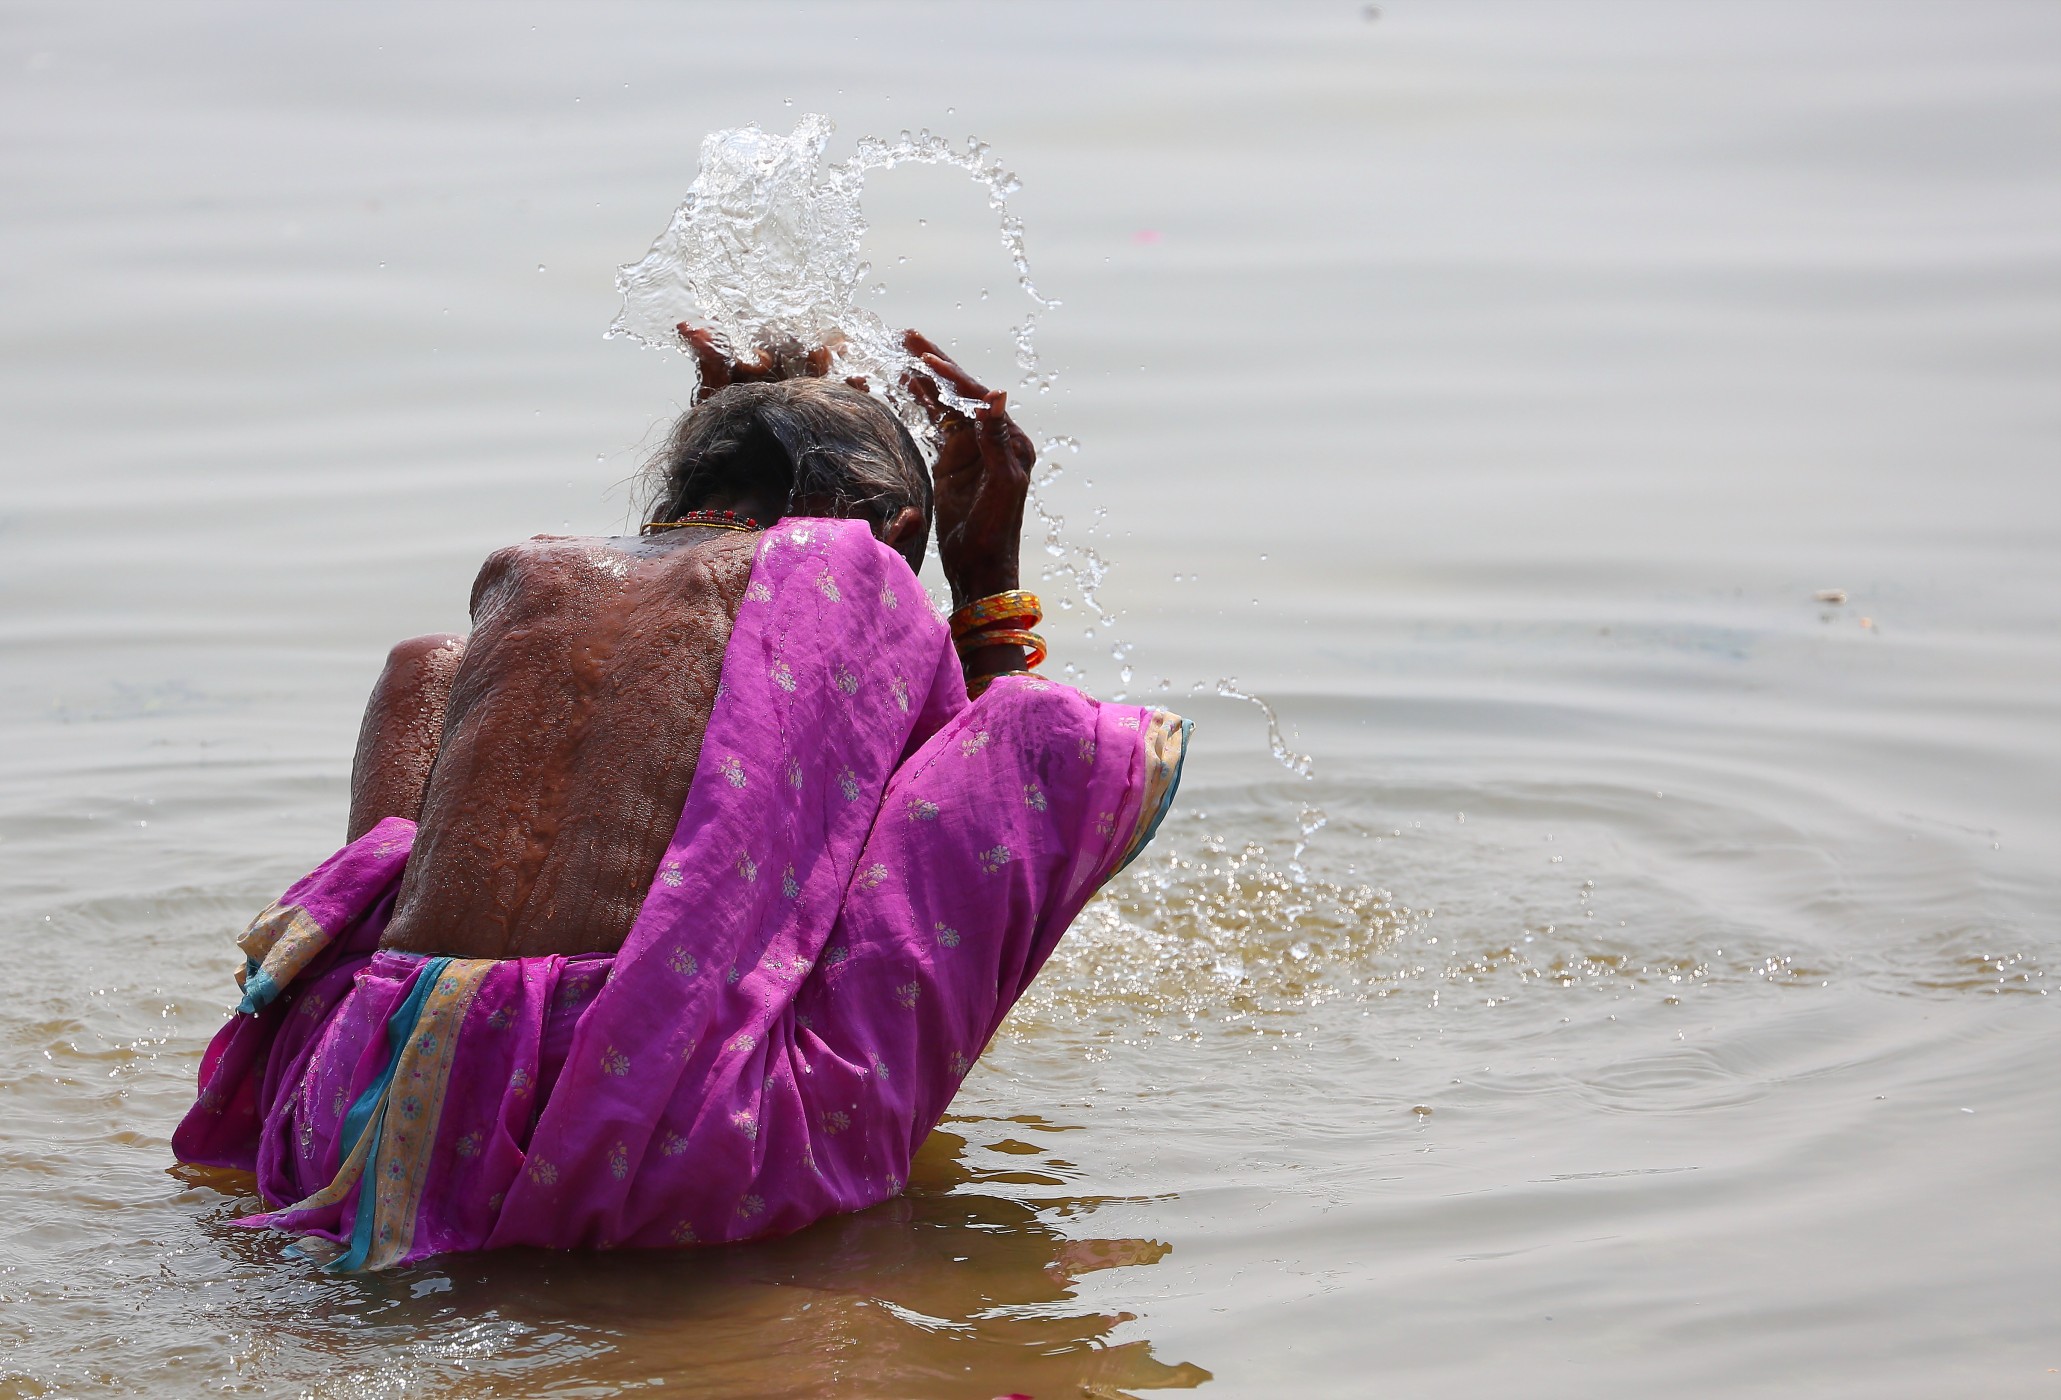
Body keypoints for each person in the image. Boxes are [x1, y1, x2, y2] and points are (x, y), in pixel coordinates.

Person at [172, 327, 1190, 1271]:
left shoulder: (527, 572)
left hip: (350, 1113)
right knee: (1055, 741)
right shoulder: (848, 566)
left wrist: (738, 424)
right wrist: (986, 585)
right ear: (900, 528)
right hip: (653, 1157)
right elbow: (953, 793)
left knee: (428, 664)